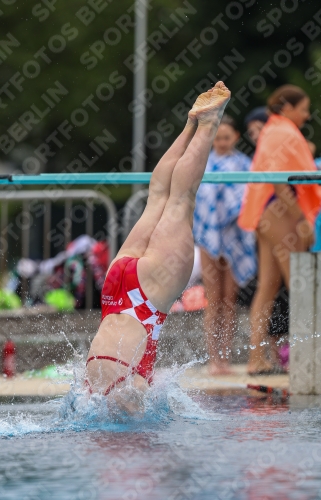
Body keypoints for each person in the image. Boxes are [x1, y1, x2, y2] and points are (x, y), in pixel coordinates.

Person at [86, 82, 231, 410]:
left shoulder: (118, 397)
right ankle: (191, 123)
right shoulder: (89, 390)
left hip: (147, 298)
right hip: (115, 288)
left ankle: (207, 123)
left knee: (181, 200)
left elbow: (135, 391)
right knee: (158, 200)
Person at [238, 84, 321, 375]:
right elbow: (280, 181)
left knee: (268, 287)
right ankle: (309, 364)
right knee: (301, 286)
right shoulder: (282, 131)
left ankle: (256, 360)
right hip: (279, 210)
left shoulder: (274, 130)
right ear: (287, 108)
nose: (307, 115)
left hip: (266, 212)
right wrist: (301, 218)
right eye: (303, 109)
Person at [193, 115, 256, 375]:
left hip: (235, 238)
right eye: (217, 137)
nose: (221, 142)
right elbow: (199, 201)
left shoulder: (244, 164)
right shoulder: (202, 164)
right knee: (213, 299)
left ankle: (225, 358)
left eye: (226, 137)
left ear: (236, 138)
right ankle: (213, 358)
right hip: (209, 239)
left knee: (229, 300)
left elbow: (248, 198)